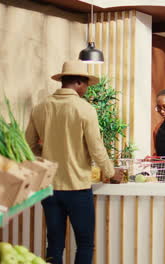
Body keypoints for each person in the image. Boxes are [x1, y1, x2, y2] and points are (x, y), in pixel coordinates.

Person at [25, 60, 124, 264]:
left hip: (50, 188)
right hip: (77, 187)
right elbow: (96, 148)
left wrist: (45, 156)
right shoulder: (85, 109)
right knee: (85, 243)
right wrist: (111, 172)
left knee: (54, 244)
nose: (87, 89)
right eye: (87, 84)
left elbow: (28, 146)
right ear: (79, 83)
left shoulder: (40, 108)